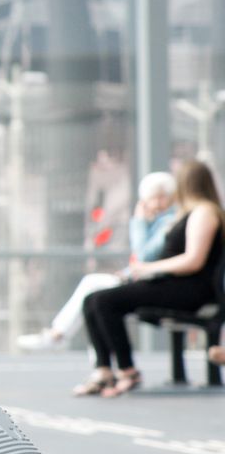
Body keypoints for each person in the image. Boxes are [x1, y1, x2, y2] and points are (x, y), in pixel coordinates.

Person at [75, 160, 225, 397]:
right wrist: (141, 224)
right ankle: (104, 369)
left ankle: (128, 371)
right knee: (92, 300)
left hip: (189, 289)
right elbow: (144, 252)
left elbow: (194, 260)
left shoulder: (204, 212)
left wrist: (149, 268)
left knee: (105, 301)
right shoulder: (183, 213)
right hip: (171, 283)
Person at [17, 171, 176, 351]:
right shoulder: (158, 222)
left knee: (96, 294)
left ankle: (60, 336)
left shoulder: (167, 222)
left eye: (159, 198)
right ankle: (92, 358)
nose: (154, 204)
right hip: (146, 280)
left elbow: (144, 256)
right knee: (93, 297)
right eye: (151, 199)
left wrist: (138, 221)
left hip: (158, 286)